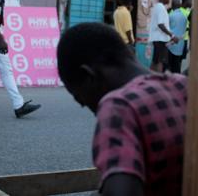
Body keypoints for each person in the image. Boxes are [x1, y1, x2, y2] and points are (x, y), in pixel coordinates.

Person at [57, 23, 187, 196]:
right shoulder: (184, 85)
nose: (83, 105)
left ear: (88, 77)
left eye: (79, 97)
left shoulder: (119, 107)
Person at [148, 0, 178, 72]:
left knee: (155, 61)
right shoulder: (161, 8)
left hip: (158, 39)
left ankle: (149, 79)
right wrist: (172, 35)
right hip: (160, 40)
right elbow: (160, 24)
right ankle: (157, 81)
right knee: (160, 62)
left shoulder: (157, 7)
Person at [167, 0, 188, 74]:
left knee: (168, 67)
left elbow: (167, 30)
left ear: (172, 6)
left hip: (170, 45)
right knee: (177, 66)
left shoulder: (170, 15)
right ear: (179, 6)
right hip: (180, 45)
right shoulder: (184, 17)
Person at [179, 0, 193, 70]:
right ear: (186, 1)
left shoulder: (188, 12)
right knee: (178, 61)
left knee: (179, 60)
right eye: (190, 0)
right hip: (181, 40)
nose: (191, 2)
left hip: (185, 39)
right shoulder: (183, 12)